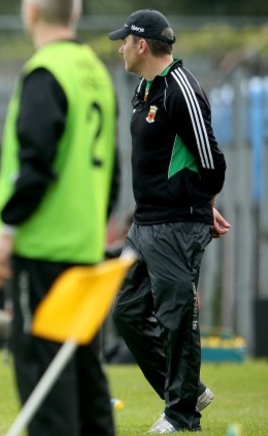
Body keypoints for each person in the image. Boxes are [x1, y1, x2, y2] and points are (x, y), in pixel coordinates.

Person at [0, 0, 119, 434]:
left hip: (42, 248)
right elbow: (113, 171)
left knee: (44, 378)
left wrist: (5, 235)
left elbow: (35, 162)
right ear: (75, 13)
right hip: (84, 246)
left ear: (34, 11)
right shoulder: (96, 72)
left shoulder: (46, 71)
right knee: (84, 371)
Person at [108, 9, 229, 433]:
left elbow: (212, 163)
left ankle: (181, 417)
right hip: (145, 225)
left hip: (178, 223)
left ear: (141, 45)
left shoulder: (182, 89)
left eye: (124, 40)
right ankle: (188, 390)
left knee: (177, 316)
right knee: (124, 310)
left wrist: (201, 204)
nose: (120, 47)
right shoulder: (143, 88)